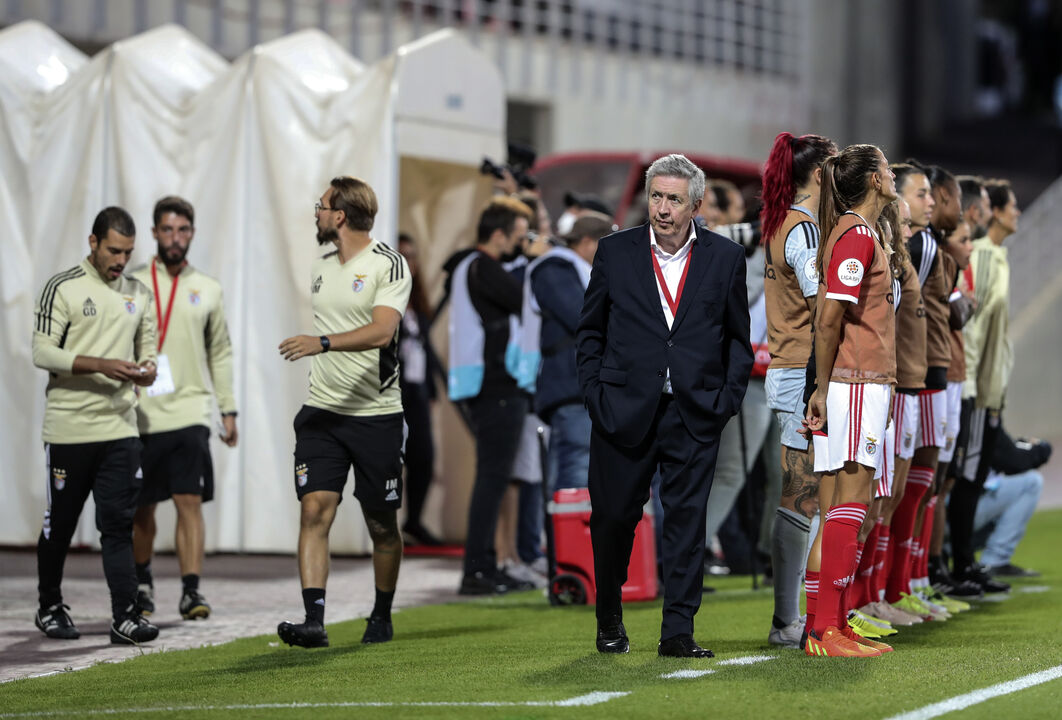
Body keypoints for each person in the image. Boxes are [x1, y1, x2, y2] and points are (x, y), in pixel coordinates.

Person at [576, 153, 753, 658]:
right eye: (656, 196)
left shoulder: (724, 258)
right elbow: (590, 331)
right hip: (621, 409)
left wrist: (726, 399)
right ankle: (609, 615)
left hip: (694, 411)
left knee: (687, 523)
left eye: (674, 199)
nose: (662, 207)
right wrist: (595, 394)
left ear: (695, 204)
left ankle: (678, 631)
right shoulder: (615, 251)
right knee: (612, 518)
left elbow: (737, 341)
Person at [276, 177, 411, 647]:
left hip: (376, 416)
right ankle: (314, 620)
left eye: (322, 206)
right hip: (322, 413)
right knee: (315, 509)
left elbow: (380, 332)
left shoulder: (389, 265)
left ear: (340, 215)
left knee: (380, 523)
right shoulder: (321, 267)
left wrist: (322, 343)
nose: (316, 212)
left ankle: (381, 613)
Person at [31, 206, 160, 645]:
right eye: (113, 250)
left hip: (121, 428)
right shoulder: (62, 287)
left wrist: (147, 371)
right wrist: (101, 365)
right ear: (93, 243)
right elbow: (42, 352)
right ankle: (49, 605)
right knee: (59, 526)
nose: (120, 260)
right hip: (68, 429)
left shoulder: (139, 293)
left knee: (118, 525)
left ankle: (125, 616)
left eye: (127, 252)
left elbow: (151, 354)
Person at [804, 144, 897, 658]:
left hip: (858, 379)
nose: (892, 176)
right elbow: (829, 318)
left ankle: (833, 623)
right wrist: (822, 386)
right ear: (875, 181)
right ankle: (824, 630)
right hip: (856, 380)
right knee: (851, 502)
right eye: (886, 169)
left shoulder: (858, 233)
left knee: (846, 503)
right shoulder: (856, 237)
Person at [130, 196, 238, 621]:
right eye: (168, 229)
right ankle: (142, 583)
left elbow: (221, 352)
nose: (176, 238)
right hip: (141, 412)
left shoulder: (207, 288)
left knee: (189, 499)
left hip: (191, 410)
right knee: (142, 507)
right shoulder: (134, 284)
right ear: (155, 232)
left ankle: (191, 590)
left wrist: (228, 410)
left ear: (192, 233)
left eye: (183, 230)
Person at [759, 131, 837, 648]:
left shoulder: (783, 223)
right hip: (800, 374)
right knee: (801, 495)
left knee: (805, 495)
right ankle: (787, 620)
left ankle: (792, 615)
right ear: (819, 174)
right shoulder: (803, 232)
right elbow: (821, 309)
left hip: (790, 371)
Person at [448, 196, 537, 595]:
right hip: (496, 385)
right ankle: (478, 568)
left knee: (496, 476)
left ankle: (485, 564)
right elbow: (528, 300)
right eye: (519, 237)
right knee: (493, 476)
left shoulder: (473, 265)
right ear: (498, 234)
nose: (522, 245)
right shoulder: (483, 266)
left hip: (489, 384)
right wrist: (539, 262)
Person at [952, 178, 1022, 590]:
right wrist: (976, 390)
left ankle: (959, 562)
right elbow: (973, 331)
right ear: (993, 210)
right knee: (965, 475)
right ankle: (957, 563)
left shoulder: (995, 254)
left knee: (970, 474)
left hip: (985, 386)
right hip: (974, 386)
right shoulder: (981, 255)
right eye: (1011, 204)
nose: (1017, 211)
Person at [521, 212, 614, 493]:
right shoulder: (554, 268)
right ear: (586, 242)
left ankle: (566, 535)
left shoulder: (577, 271)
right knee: (576, 468)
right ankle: (570, 537)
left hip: (584, 386)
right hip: (570, 384)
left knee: (579, 466)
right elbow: (581, 316)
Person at [396, 233, 441, 546]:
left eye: (411, 256)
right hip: (393, 391)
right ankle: (386, 524)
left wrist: (433, 390)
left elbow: (426, 349)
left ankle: (414, 521)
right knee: (390, 458)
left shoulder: (419, 304)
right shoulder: (384, 301)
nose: (407, 262)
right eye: (401, 255)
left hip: (418, 389)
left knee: (423, 457)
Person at [973, 428, 1051, 577]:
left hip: (938, 516)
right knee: (1032, 482)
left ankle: (941, 554)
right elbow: (1013, 461)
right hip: (952, 516)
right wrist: (1042, 448)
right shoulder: (982, 415)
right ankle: (995, 559)